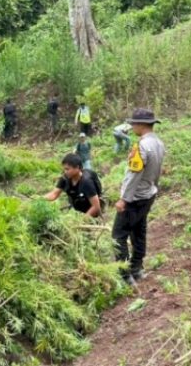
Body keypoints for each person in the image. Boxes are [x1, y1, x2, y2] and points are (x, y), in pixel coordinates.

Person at [113, 109, 165, 285]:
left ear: (141, 125)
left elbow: (134, 174)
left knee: (119, 235)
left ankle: (124, 274)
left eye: (134, 123)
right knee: (139, 231)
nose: (132, 126)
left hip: (134, 198)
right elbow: (157, 171)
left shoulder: (142, 146)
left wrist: (124, 199)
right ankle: (137, 268)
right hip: (149, 194)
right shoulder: (158, 143)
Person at [44, 154, 102, 218]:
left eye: (67, 169)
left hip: (90, 212)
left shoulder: (86, 182)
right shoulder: (65, 178)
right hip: (77, 208)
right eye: (64, 169)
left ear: (77, 167)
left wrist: (82, 220)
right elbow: (54, 194)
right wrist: (39, 198)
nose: (65, 172)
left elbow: (96, 206)